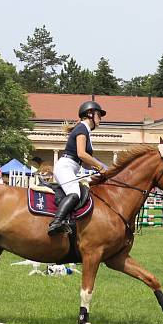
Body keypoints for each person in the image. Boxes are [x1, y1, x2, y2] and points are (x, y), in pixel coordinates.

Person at [47, 101, 109, 236]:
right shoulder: (82, 129)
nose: (100, 119)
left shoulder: (85, 130)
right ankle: (56, 223)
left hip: (72, 166)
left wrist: (97, 170)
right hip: (65, 166)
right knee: (75, 193)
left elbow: (84, 162)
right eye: (99, 115)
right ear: (90, 114)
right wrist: (99, 165)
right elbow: (81, 154)